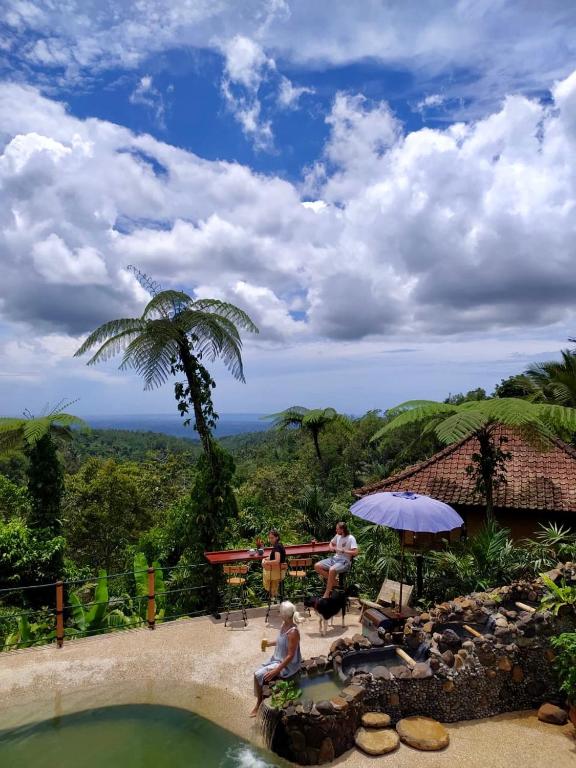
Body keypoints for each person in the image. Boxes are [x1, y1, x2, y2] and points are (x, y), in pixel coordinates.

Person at [251, 601, 303, 716]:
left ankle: (259, 703)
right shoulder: (284, 625)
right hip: (277, 658)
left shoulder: (293, 632)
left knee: (258, 675)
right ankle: (259, 701)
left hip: (287, 665)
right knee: (258, 674)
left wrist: (276, 671)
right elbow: (281, 641)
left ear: (284, 615)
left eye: (280, 612)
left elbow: (290, 655)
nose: (279, 613)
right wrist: (269, 643)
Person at [314, 521, 358, 598]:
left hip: (345, 561)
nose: (336, 530)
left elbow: (355, 552)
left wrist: (343, 551)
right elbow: (331, 543)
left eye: (337, 529)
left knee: (332, 570)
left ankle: (326, 594)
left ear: (342, 529)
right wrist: (331, 547)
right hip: (335, 558)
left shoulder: (351, 538)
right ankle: (335, 583)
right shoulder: (337, 535)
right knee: (317, 566)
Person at [261, 528, 287, 598]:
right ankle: (274, 593)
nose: (270, 540)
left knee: (264, 569)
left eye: (272, 538)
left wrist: (266, 562)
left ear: (277, 537)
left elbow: (277, 561)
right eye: (269, 538)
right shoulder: (280, 545)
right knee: (266, 566)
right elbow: (276, 557)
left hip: (276, 573)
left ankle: (273, 592)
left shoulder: (276, 547)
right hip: (281, 572)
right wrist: (267, 559)